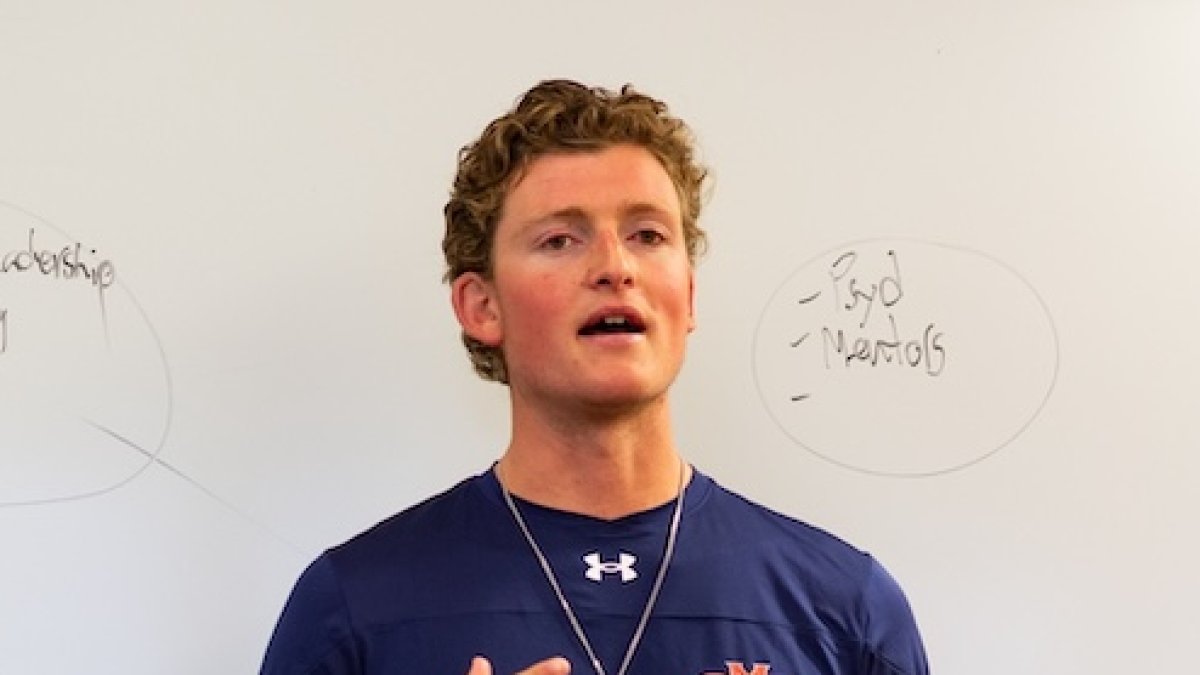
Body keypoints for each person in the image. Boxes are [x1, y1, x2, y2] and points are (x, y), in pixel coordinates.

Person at [260, 79, 929, 675]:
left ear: (688, 297)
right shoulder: (353, 608)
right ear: (481, 306)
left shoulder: (846, 608)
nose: (616, 266)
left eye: (647, 234)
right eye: (560, 239)